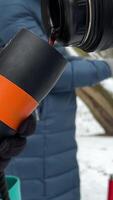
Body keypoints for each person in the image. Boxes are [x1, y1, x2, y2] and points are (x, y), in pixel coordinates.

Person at [0, 1, 113, 200]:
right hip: (38, 147)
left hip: (57, 139)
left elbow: (61, 58)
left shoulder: (47, 6)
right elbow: (46, 67)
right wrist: (107, 67)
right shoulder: (12, 6)